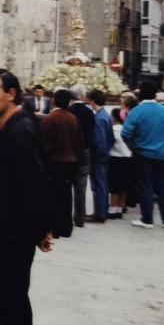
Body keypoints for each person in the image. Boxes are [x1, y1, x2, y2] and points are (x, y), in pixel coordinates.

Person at [0, 69, 52, 325]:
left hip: (12, 235)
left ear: (11, 94)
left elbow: (35, 183)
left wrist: (39, 230)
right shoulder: (8, 127)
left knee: (11, 304)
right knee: (4, 304)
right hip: (4, 232)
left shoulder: (21, 130)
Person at [122, 80, 164, 229]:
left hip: (144, 153)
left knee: (146, 186)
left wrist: (133, 146)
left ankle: (147, 219)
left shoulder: (137, 111)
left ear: (140, 94)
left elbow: (126, 133)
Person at [39, 89, 83, 238]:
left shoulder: (51, 118)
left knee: (53, 195)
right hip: (70, 162)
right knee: (66, 194)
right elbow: (79, 142)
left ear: (54, 100)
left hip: (55, 161)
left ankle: (54, 227)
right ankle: (65, 227)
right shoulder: (73, 118)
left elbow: (44, 142)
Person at [68, 84, 95, 227]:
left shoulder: (68, 111)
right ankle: (80, 218)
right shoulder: (89, 112)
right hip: (84, 150)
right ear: (83, 96)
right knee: (81, 185)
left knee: (67, 184)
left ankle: (66, 216)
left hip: (69, 150)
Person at [87, 89, 114, 223]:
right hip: (104, 153)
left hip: (98, 155)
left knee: (98, 184)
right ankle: (101, 211)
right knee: (102, 183)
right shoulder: (106, 116)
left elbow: (99, 141)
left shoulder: (98, 118)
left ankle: (100, 213)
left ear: (93, 101)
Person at [108, 107, 134, 219]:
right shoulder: (128, 129)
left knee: (114, 185)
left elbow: (109, 143)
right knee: (124, 185)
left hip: (115, 158)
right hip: (128, 158)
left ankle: (112, 208)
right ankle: (120, 207)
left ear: (114, 117)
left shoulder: (113, 129)